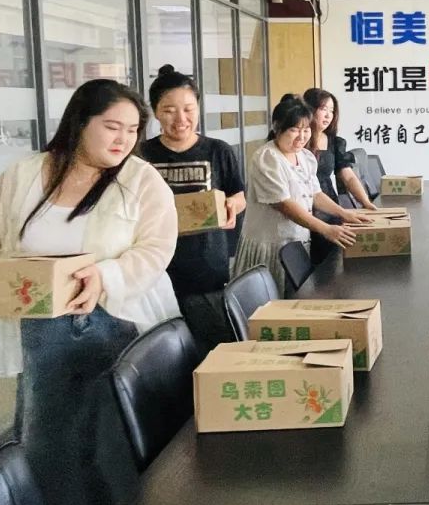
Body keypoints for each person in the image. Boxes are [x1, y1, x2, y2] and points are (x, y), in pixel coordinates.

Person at [0, 79, 180, 505]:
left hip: (116, 320)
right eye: (112, 127)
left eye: (133, 130)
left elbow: (156, 249)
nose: (123, 140)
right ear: (80, 123)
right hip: (41, 327)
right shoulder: (23, 176)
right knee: (47, 442)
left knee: (114, 438)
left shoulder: (141, 180)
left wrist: (106, 276)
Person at [141, 65, 246, 349]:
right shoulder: (142, 155)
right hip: (157, 271)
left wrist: (231, 205)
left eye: (188, 109)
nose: (181, 119)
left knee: (214, 347)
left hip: (207, 268)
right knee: (166, 353)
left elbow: (239, 195)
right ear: (155, 112)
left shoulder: (218, 150)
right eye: (169, 110)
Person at [233, 94, 371, 293]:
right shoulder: (267, 158)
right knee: (271, 299)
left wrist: (344, 213)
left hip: (297, 241)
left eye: (306, 130)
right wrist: (325, 229)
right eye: (294, 130)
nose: (301, 136)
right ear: (277, 127)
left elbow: (315, 194)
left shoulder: (305, 156)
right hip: (271, 244)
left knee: (299, 294)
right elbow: (284, 204)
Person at [303, 87, 376, 263]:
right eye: (323, 109)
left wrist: (365, 202)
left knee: (329, 258)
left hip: (328, 205)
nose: (328, 115)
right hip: (303, 204)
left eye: (332, 111)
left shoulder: (334, 142)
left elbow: (348, 177)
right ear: (309, 109)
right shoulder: (299, 140)